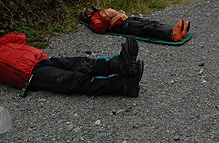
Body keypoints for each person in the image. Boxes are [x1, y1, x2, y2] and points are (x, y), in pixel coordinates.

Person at [0, 32, 144, 98]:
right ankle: (123, 85)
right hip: (32, 75)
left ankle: (118, 64)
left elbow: (21, 37)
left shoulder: (4, 43)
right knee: (74, 79)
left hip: (42, 59)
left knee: (81, 63)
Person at [79, 7, 190, 42]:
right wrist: (108, 17)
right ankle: (172, 35)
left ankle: (179, 31)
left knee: (152, 22)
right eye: (86, 12)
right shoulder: (94, 21)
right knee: (147, 28)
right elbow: (100, 29)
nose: (88, 11)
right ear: (86, 17)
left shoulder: (100, 12)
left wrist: (120, 12)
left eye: (88, 9)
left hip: (126, 18)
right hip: (122, 26)